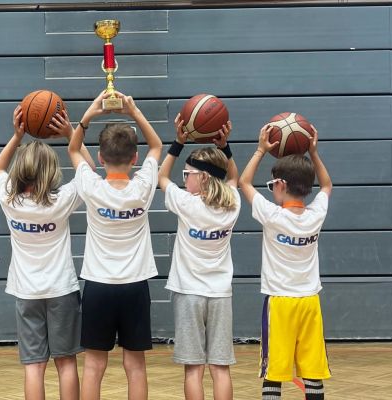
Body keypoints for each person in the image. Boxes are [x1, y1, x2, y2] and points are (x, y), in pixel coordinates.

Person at [0, 106, 96, 400]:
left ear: (21, 170)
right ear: (51, 171)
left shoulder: (9, 199)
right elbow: (88, 171)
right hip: (61, 289)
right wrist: (70, 133)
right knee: (66, 362)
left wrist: (17, 136)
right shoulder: (60, 200)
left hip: (26, 291)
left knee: (34, 366)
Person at [68, 91, 162, 400]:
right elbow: (157, 146)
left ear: (99, 158)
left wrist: (89, 115)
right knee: (135, 366)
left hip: (98, 286)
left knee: (94, 366)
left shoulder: (91, 185)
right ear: (135, 158)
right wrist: (134, 112)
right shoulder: (143, 186)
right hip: (135, 286)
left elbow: (73, 148)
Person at [238, 124, 333, 400]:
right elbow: (327, 185)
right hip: (309, 302)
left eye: (272, 185)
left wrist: (260, 150)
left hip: (280, 303)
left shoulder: (272, 215)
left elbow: (244, 182)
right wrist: (313, 153)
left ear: (280, 185)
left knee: (274, 374)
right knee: (313, 373)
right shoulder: (316, 215)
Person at [158, 115, 239, 400]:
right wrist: (225, 147)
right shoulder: (232, 203)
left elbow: (161, 177)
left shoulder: (186, 203)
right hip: (220, 294)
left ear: (202, 177)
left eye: (188, 174)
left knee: (193, 369)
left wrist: (178, 142)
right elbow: (233, 178)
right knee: (220, 368)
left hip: (189, 293)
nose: (184, 179)